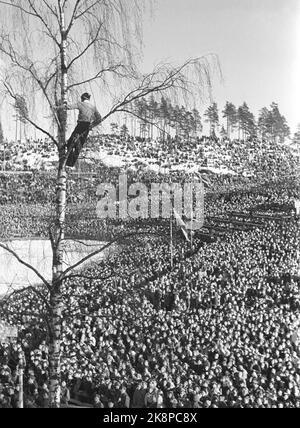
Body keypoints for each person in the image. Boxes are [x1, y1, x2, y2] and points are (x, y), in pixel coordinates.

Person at [66, 93, 102, 167]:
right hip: (87, 126)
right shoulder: (93, 107)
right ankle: (71, 163)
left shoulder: (80, 104)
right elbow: (99, 118)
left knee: (70, 142)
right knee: (80, 144)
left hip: (80, 125)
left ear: (82, 98)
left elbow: (69, 107)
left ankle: (69, 161)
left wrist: (58, 107)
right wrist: (92, 125)